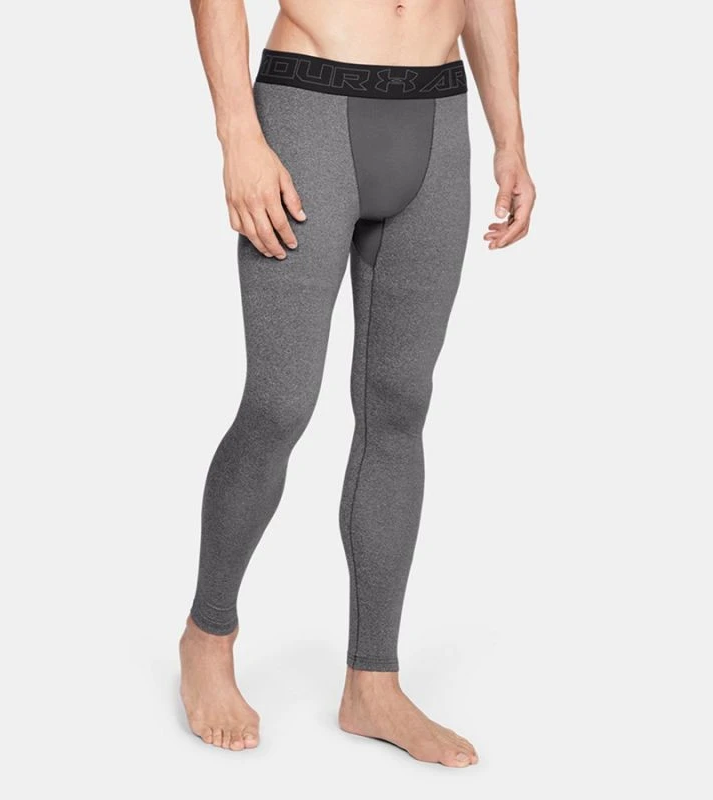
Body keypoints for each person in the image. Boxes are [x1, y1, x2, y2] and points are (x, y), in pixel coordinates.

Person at [181, 0, 535, 766]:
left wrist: (510, 136)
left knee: (398, 407)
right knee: (278, 405)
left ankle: (373, 682)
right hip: (308, 107)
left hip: (437, 117)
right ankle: (208, 636)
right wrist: (238, 134)